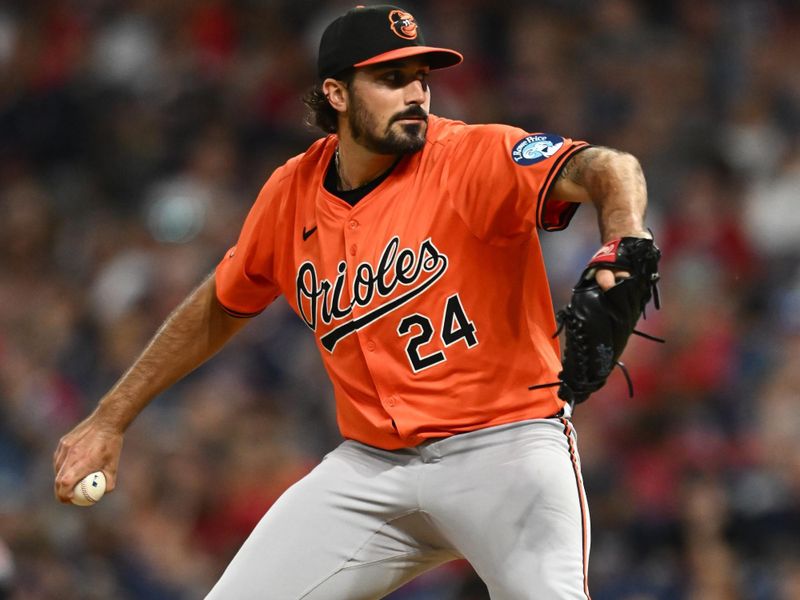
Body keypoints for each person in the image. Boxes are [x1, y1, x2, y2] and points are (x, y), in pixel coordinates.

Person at [54, 5, 653, 599]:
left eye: (422, 77)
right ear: (336, 93)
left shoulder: (471, 156)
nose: (416, 93)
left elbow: (605, 166)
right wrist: (111, 417)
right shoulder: (291, 191)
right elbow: (219, 303)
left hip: (504, 446)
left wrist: (625, 232)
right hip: (373, 469)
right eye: (391, 80)